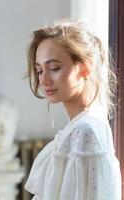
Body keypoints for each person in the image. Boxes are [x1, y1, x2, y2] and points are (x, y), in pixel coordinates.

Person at [24, 20, 121, 200]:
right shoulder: (82, 127)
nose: (44, 80)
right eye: (39, 71)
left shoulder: (86, 131)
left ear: (85, 68)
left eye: (54, 68)